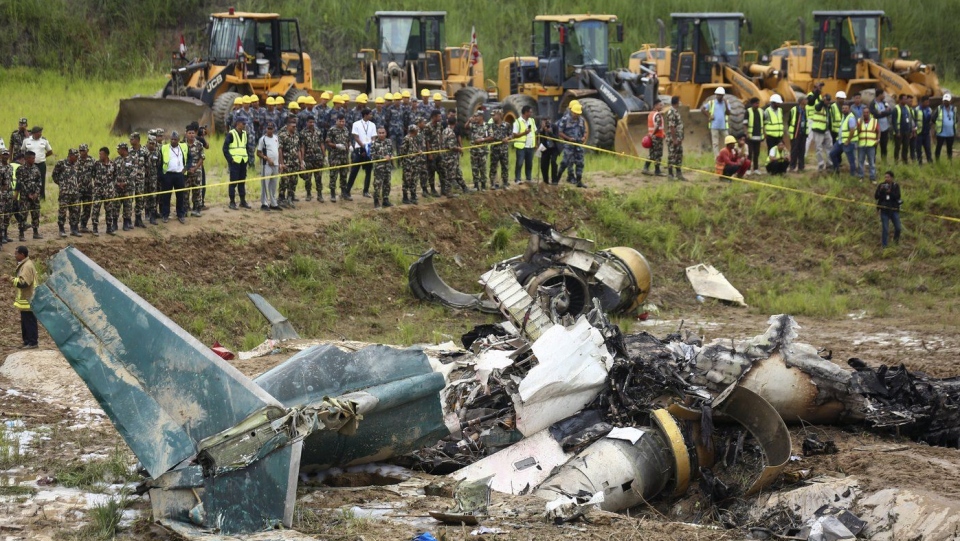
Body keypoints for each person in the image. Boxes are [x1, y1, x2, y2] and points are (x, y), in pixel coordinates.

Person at [556, 100, 587, 187]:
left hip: (578, 145)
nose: (577, 115)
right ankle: (557, 179)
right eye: (575, 113)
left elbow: (585, 131)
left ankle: (579, 181)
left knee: (580, 163)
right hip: (568, 145)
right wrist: (568, 138)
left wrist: (584, 137)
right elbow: (559, 132)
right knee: (565, 162)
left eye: (578, 113)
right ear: (572, 111)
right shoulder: (565, 119)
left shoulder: (581, 120)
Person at [52, 148, 81, 237]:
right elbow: (54, 175)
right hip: (65, 193)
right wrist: (61, 184)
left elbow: (78, 176)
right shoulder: (61, 163)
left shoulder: (77, 164)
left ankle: (74, 229)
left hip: (75, 192)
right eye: (75, 156)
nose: (77, 158)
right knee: (62, 211)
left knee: (75, 211)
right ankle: (61, 229)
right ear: (70, 156)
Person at [223, 118, 251, 210]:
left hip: (243, 161)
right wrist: (230, 160)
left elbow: (246, 148)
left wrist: (247, 159)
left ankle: (242, 201)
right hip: (235, 162)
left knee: (242, 182)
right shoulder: (231, 134)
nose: (244, 125)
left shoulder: (245, 134)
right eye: (243, 123)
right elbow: (225, 149)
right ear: (238, 123)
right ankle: (232, 202)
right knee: (233, 182)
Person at [12, 246, 38, 349]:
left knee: (29, 321)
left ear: (22, 254)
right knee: (25, 322)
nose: (15, 255)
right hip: (25, 300)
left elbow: (24, 283)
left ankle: (32, 342)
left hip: (29, 299)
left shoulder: (26, 266)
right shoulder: (24, 264)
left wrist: (11, 279)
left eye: (16, 254)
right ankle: (27, 341)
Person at [348, 108, 377, 198]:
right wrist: (364, 146)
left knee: (368, 171)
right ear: (365, 115)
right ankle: (347, 191)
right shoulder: (356, 124)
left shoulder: (372, 125)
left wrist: (370, 146)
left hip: (369, 150)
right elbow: (356, 137)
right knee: (354, 171)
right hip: (359, 149)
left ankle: (366, 191)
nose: (371, 116)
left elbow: (374, 137)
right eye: (370, 114)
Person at [160, 131, 188, 223]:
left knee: (180, 196)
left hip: (179, 175)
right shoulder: (164, 148)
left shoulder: (184, 146)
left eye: (175, 139)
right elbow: (159, 163)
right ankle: (165, 215)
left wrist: (186, 168)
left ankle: (180, 214)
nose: (173, 141)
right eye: (171, 139)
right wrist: (161, 175)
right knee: (166, 196)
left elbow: (190, 158)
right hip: (168, 175)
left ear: (178, 140)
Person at [15, 151, 42, 240]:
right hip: (24, 197)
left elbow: (39, 182)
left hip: (35, 197)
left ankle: (35, 232)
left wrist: (36, 193)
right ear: (26, 159)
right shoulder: (20, 169)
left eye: (34, 158)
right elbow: (20, 183)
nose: (33, 160)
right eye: (32, 158)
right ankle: (21, 234)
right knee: (23, 215)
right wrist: (28, 194)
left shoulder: (36, 169)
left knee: (36, 214)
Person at [830, 101, 861, 178]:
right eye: (843, 108)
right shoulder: (844, 117)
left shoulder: (851, 118)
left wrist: (848, 140)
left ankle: (853, 175)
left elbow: (852, 130)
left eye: (846, 108)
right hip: (840, 141)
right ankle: (836, 171)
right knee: (832, 154)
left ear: (849, 109)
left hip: (848, 143)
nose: (844, 110)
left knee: (851, 160)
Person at [21, 127, 52, 199]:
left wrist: (43, 156)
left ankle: (41, 197)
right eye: (39, 132)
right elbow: (22, 151)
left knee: (41, 180)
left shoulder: (44, 141)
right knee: (29, 180)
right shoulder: (26, 141)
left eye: (41, 132)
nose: (40, 134)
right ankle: (29, 195)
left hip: (41, 164)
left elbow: (50, 151)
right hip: (30, 165)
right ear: (34, 133)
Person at [278, 118, 303, 207]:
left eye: (295, 126)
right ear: (288, 126)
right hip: (286, 162)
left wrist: (301, 162)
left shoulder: (296, 135)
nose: (294, 128)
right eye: (293, 127)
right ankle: (281, 199)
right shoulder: (282, 135)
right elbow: (280, 149)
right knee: (284, 181)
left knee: (293, 181)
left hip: (295, 162)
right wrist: (281, 163)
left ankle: (290, 198)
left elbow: (298, 150)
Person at [90, 147, 115, 236]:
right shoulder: (96, 164)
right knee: (96, 209)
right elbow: (93, 175)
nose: (100, 155)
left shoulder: (112, 164)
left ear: (106, 154)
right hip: (98, 191)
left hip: (109, 191)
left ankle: (109, 227)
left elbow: (114, 176)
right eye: (99, 154)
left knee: (109, 209)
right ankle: (95, 228)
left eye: (102, 154)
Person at [325, 115, 350, 202]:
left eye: (343, 121)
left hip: (344, 156)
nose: (342, 123)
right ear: (336, 121)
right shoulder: (332, 130)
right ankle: (332, 194)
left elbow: (348, 140)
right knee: (333, 175)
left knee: (344, 175)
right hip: (334, 156)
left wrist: (349, 146)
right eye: (340, 121)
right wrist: (336, 146)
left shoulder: (346, 129)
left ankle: (344, 193)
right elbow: (327, 142)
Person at [256, 122, 281, 210]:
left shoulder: (276, 138)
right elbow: (258, 153)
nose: (269, 130)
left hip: (276, 164)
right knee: (265, 184)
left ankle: (273, 203)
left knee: (274, 184)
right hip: (266, 164)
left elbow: (278, 150)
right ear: (266, 129)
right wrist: (267, 158)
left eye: (271, 128)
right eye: (268, 128)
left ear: (274, 129)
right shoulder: (262, 139)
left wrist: (280, 163)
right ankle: (264, 203)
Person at [300, 116, 326, 202]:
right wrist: (302, 160)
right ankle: (308, 194)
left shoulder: (318, 131)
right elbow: (302, 147)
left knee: (318, 177)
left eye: (313, 122)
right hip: (308, 158)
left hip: (318, 158)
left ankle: (320, 194)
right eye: (310, 122)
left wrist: (324, 156)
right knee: (308, 178)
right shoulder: (303, 133)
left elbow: (321, 144)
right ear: (307, 122)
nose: (312, 124)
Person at [442, 117, 470, 195]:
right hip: (450, 157)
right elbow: (451, 146)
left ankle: (465, 188)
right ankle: (448, 192)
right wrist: (459, 149)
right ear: (455, 123)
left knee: (458, 173)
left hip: (451, 157)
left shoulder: (445, 131)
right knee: (450, 175)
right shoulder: (451, 133)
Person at [874, 171, 902, 248]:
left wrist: (890, 192)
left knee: (898, 228)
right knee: (885, 229)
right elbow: (876, 196)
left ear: (892, 178)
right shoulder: (881, 185)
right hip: (884, 210)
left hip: (894, 209)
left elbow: (898, 196)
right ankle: (884, 246)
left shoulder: (896, 186)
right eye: (885, 177)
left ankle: (895, 242)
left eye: (888, 177)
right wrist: (880, 190)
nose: (886, 179)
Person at [467, 111, 494, 190]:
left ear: (481, 117)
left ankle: (483, 185)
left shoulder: (487, 126)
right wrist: (469, 120)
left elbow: (492, 137)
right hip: (474, 151)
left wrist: (482, 139)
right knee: (474, 168)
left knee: (483, 168)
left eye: (477, 116)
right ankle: (476, 185)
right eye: (475, 116)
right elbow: (466, 127)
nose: (475, 118)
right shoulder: (473, 125)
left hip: (483, 151)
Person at [369, 126, 394, 208]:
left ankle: (385, 200)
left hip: (388, 167)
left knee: (387, 183)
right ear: (377, 134)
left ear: (386, 133)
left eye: (383, 133)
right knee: (377, 184)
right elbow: (372, 156)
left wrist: (390, 156)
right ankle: (376, 201)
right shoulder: (374, 143)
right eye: (379, 133)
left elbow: (391, 152)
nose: (381, 134)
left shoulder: (389, 142)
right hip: (378, 168)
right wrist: (383, 158)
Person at [112, 143, 135, 233]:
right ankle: (114, 223)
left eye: (119, 149)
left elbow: (134, 172)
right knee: (116, 206)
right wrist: (117, 183)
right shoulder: (116, 160)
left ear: (124, 149)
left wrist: (126, 183)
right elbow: (112, 173)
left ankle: (126, 223)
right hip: (117, 188)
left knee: (127, 206)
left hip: (128, 188)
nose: (117, 151)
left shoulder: (132, 159)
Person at [128, 133, 148, 227]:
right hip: (130, 180)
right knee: (129, 200)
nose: (130, 141)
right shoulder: (128, 151)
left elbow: (148, 165)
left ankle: (138, 219)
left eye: (132, 139)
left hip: (140, 179)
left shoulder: (144, 151)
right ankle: (127, 220)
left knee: (140, 199)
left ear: (137, 140)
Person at [488, 109, 512, 190]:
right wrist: (499, 139)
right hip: (495, 150)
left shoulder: (507, 125)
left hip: (504, 150)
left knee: (505, 166)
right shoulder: (491, 126)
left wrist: (507, 138)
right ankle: (493, 184)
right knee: (493, 167)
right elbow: (491, 137)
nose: (492, 117)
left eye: (494, 115)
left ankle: (505, 183)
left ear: (499, 115)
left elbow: (511, 135)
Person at [423, 110, 445, 196]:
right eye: (439, 116)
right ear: (434, 117)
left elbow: (440, 135)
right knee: (431, 171)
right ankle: (432, 189)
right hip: (432, 152)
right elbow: (427, 140)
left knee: (442, 170)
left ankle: (443, 189)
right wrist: (429, 153)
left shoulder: (439, 125)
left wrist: (442, 147)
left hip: (439, 151)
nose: (440, 118)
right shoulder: (427, 126)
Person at [512, 105, 537, 183]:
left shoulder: (532, 121)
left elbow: (534, 132)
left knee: (529, 163)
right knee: (519, 163)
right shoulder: (517, 122)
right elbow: (514, 134)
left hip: (530, 146)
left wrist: (536, 144)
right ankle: (517, 179)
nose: (531, 113)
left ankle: (528, 178)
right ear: (526, 112)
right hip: (521, 146)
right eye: (530, 112)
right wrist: (524, 133)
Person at [810, 90, 833, 171]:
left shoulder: (828, 108)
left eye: (829, 100)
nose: (828, 102)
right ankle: (821, 164)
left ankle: (829, 164)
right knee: (818, 148)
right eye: (827, 100)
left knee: (829, 147)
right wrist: (822, 101)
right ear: (824, 99)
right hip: (818, 130)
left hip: (826, 130)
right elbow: (818, 107)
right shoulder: (819, 105)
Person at [702, 87, 729, 156]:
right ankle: (717, 158)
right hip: (714, 126)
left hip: (723, 126)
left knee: (728, 141)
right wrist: (709, 116)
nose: (720, 96)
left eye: (721, 95)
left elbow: (728, 113)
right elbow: (703, 109)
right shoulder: (711, 103)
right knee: (715, 143)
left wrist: (726, 104)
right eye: (718, 95)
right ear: (716, 95)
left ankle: (727, 156)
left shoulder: (725, 103)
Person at [400, 124, 423, 204]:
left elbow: (416, 149)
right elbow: (402, 151)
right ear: (413, 131)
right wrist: (410, 155)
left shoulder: (414, 138)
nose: (418, 131)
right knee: (407, 180)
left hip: (415, 163)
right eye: (416, 130)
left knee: (414, 179)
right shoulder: (406, 139)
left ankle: (413, 195)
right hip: (408, 163)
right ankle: (405, 197)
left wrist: (418, 151)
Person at [665, 95, 686, 180]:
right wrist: (674, 139)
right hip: (673, 138)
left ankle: (678, 173)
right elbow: (672, 126)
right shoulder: (671, 112)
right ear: (676, 102)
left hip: (678, 138)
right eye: (679, 101)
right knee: (672, 155)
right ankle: (670, 174)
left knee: (679, 155)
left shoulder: (676, 112)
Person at [643, 100, 666, 176]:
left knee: (652, 153)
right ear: (655, 106)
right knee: (658, 154)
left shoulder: (650, 114)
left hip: (652, 137)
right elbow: (657, 126)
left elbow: (653, 126)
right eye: (660, 105)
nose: (662, 107)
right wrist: (653, 134)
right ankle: (657, 170)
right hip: (657, 137)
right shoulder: (658, 115)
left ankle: (645, 168)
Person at [892, 94, 916, 164]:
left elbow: (910, 118)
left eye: (906, 99)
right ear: (900, 100)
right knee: (898, 147)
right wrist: (897, 131)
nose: (906, 100)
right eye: (904, 99)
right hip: (899, 132)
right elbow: (894, 121)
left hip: (907, 131)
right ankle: (896, 161)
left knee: (905, 147)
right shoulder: (896, 108)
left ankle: (905, 161)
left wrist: (911, 130)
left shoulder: (907, 108)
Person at [869, 90, 893, 162]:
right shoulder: (873, 103)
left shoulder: (884, 102)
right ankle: (873, 161)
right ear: (879, 95)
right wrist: (885, 112)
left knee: (884, 146)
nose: (884, 96)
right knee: (874, 146)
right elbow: (876, 115)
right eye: (883, 94)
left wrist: (882, 112)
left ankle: (884, 161)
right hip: (876, 128)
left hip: (885, 128)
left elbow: (890, 111)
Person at [77, 144, 96, 231]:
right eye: (80, 150)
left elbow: (95, 174)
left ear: (87, 150)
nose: (81, 152)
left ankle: (83, 225)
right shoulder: (76, 160)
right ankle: (74, 226)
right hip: (78, 189)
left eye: (83, 150)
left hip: (88, 188)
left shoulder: (92, 160)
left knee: (87, 208)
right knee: (76, 208)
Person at [858, 108, 879, 183]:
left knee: (871, 162)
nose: (865, 114)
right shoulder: (859, 121)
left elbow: (878, 131)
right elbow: (857, 131)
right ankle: (861, 177)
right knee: (860, 161)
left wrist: (878, 139)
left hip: (871, 145)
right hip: (861, 144)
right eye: (864, 112)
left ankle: (872, 177)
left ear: (869, 113)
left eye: (867, 112)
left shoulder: (874, 121)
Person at [744, 97, 764, 175]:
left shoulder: (761, 111)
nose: (757, 105)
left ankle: (756, 168)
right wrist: (747, 133)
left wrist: (764, 134)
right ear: (752, 104)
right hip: (750, 137)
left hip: (758, 136)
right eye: (756, 103)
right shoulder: (748, 112)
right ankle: (748, 169)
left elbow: (763, 123)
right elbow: (745, 124)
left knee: (757, 153)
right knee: (750, 153)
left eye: (758, 103)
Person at [143, 137, 160, 225]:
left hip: (153, 178)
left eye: (154, 144)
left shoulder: (157, 152)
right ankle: (146, 213)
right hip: (144, 178)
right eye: (150, 143)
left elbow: (158, 164)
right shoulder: (143, 152)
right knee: (145, 196)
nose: (152, 145)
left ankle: (153, 216)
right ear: (147, 143)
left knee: (153, 196)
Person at [788, 95, 808, 172]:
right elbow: (789, 121)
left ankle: (801, 167)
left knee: (802, 150)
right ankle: (792, 166)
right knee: (794, 150)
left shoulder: (805, 110)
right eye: (805, 100)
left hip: (803, 133)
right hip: (795, 133)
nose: (807, 101)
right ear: (801, 101)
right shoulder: (794, 109)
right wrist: (792, 132)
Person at [536, 117, 559, 184]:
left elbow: (556, 139)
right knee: (543, 164)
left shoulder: (554, 127)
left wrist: (549, 132)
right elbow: (538, 136)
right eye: (544, 121)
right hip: (545, 148)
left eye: (547, 121)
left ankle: (554, 180)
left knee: (553, 162)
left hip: (554, 148)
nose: (546, 123)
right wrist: (542, 130)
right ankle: (545, 180)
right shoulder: (541, 127)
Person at [934, 93, 955, 162]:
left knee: (949, 148)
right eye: (945, 101)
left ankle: (950, 161)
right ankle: (937, 161)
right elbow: (933, 118)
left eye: (947, 101)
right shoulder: (939, 108)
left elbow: (956, 119)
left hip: (950, 133)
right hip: (941, 132)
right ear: (943, 101)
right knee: (939, 147)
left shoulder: (953, 109)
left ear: (950, 101)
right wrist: (937, 125)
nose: (946, 102)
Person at [0, 149, 14, 243]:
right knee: (1, 215)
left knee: (8, 215)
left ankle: (5, 233)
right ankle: (1, 235)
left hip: (9, 194)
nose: (6, 156)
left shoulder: (10, 167)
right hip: (1, 194)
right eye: (4, 154)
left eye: (7, 155)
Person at [914, 96, 933, 165]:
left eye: (928, 102)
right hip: (919, 133)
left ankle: (930, 162)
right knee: (918, 149)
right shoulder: (916, 109)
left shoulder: (929, 110)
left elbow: (930, 119)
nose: (927, 103)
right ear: (922, 102)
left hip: (926, 132)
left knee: (928, 149)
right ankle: (920, 163)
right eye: (926, 102)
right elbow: (914, 120)